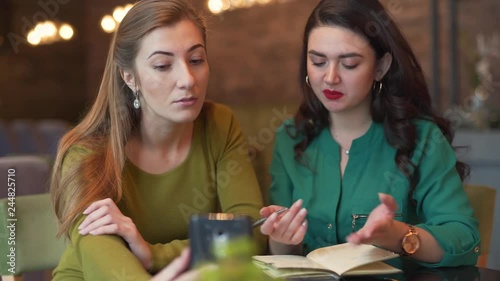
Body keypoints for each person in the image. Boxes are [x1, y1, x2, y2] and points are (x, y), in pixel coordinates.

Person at [50, 0, 266, 280]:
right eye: (163, 65)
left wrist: (153, 254)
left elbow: (250, 232)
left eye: (196, 60)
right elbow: (103, 255)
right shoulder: (86, 153)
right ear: (130, 77)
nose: (187, 79)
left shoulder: (219, 125)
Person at [259, 0, 480, 267]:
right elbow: (280, 255)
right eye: (318, 61)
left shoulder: (422, 139)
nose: (330, 77)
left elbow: (465, 240)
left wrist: (400, 236)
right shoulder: (291, 137)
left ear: (381, 67)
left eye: (349, 63)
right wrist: (282, 238)